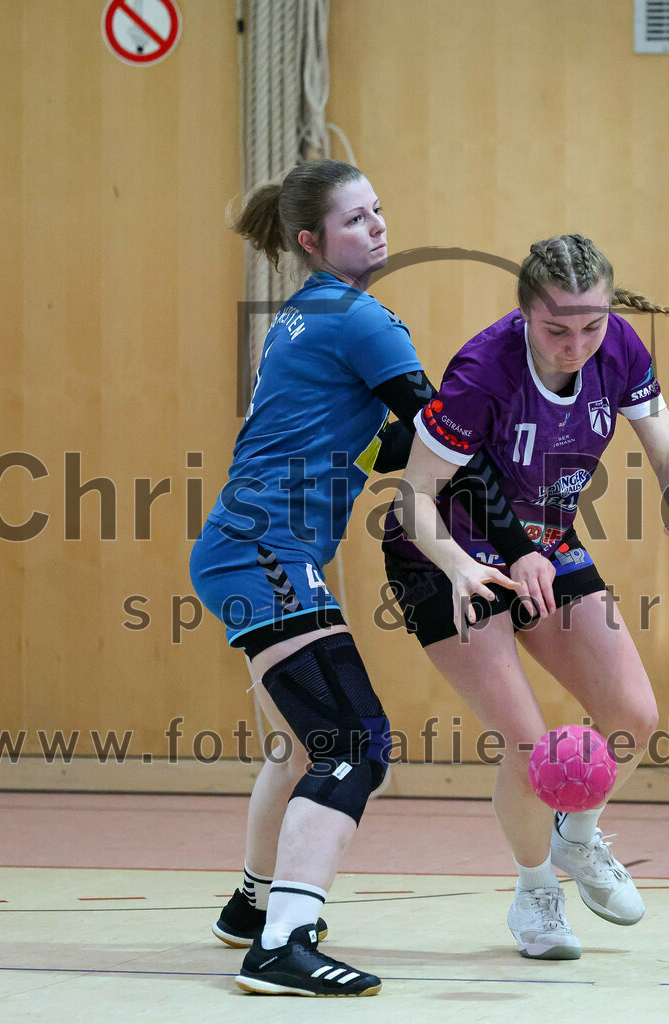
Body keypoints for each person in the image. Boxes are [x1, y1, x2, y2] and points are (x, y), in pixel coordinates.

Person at [189, 159, 542, 996]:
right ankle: (283, 941)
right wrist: (519, 544)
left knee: (300, 746)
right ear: (312, 241)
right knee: (354, 745)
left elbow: (384, 444)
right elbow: (443, 442)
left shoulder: (306, 316)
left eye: (378, 211)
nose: (376, 226)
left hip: (252, 545)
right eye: (355, 220)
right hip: (264, 549)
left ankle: (251, 905)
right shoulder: (362, 319)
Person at [385, 233, 669, 960]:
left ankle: (575, 837)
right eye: (556, 329)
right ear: (522, 316)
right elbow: (413, 495)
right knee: (529, 748)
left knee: (633, 717)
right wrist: (456, 565)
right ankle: (533, 890)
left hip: (545, 543)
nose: (575, 345)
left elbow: (666, 447)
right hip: (443, 554)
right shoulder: (483, 370)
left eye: (591, 325)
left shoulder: (621, 349)